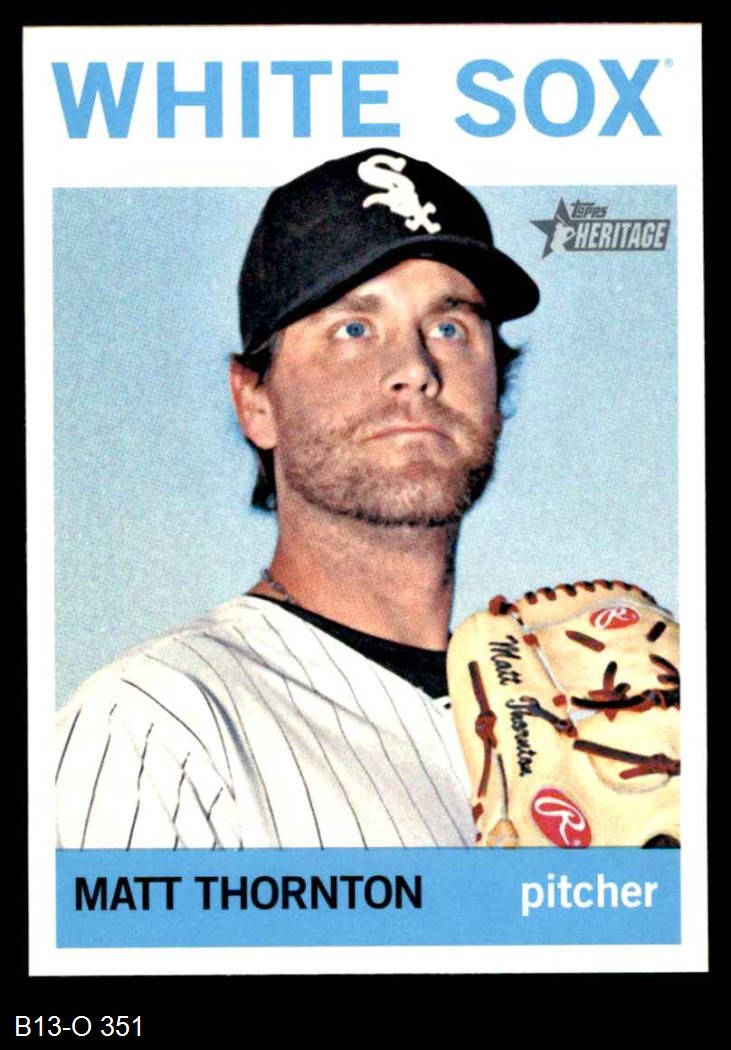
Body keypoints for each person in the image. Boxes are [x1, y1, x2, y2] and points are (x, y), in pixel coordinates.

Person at [55, 148, 539, 849]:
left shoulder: (566, 718)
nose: (414, 369)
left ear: (496, 386)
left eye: (449, 327)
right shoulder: (153, 729)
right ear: (255, 401)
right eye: (353, 329)